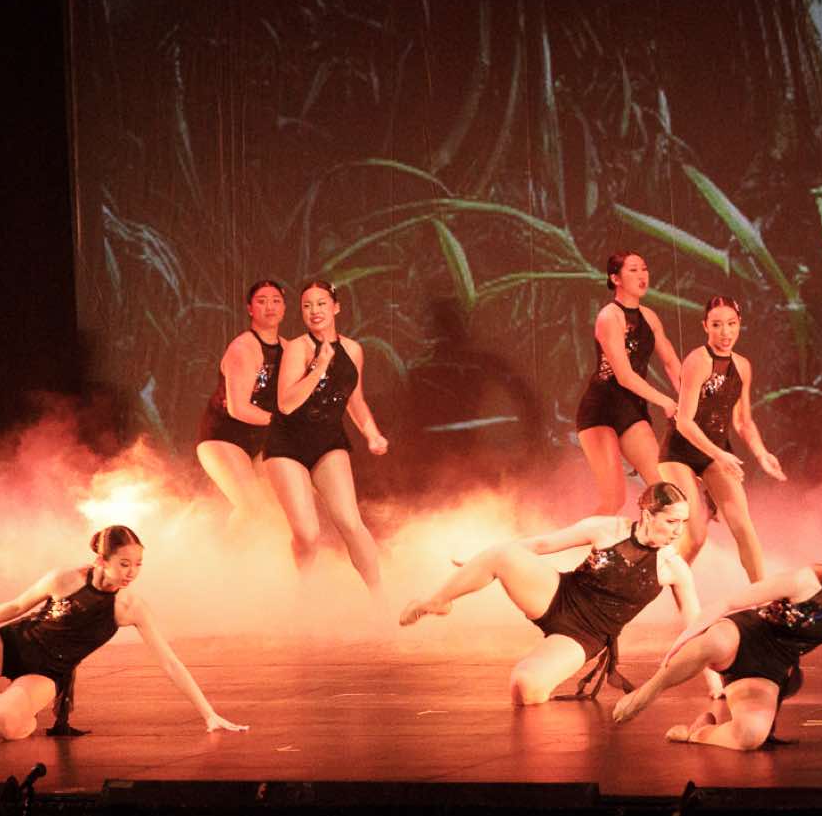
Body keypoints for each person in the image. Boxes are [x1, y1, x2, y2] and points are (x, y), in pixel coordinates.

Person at [0, 526, 246, 740]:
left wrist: (209, 714)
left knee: (2, 725)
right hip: (13, 644)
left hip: (48, 672)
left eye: (138, 565)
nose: (132, 573)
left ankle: (25, 706)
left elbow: (169, 663)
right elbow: (17, 605)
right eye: (124, 564)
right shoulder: (66, 579)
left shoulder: (129, 607)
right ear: (101, 560)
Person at [611, 527, 822, 748]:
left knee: (750, 737)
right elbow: (728, 603)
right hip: (743, 636)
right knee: (715, 641)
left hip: (771, 666)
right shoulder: (801, 580)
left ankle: (698, 733)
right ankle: (646, 694)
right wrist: (679, 645)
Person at [399, 482, 697, 705]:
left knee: (525, 687)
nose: (678, 531)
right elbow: (540, 545)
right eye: (672, 521)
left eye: (683, 522)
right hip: (558, 594)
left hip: (586, 634)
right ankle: (437, 601)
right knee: (503, 554)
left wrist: (715, 683)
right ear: (647, 515)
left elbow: (695, 627)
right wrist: (482, 559)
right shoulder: (607, 529)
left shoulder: (674, 568)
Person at [263, 279, 390, 592]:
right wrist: (318, 367)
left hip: (328, 442)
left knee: (349, 520)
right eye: (307, 306)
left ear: (336, 307)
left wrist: (372, 434)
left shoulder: (353, 349)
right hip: (287, 444)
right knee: (308, 534)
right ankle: (304, 593)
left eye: (321, 304)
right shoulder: (297, 348)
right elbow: (286, 404)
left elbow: (354, 400)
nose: (314, 311)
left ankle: (380, 598)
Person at [656, 295, 786, 580]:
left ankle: (763, 595)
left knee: (743, 525)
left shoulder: (742, 366)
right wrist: (720, 454)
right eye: (716, 325)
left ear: (739, 324)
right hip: (679, 452)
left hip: (715, 452)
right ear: (706, 326)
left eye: (731, 324)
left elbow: (743, 421)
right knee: (695, 536)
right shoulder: (697, 361)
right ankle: (663, 584)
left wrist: (761, 453)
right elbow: (684, 422)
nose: (725, 332)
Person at [576, 251, 683, 516]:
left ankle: (655, 541)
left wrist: (689, 400)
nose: (642, 275)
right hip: (600, 409)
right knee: (614, 500)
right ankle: (577, 541)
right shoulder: (609, 317)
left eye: (644, 269)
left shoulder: (649, 317)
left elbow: (671, 362)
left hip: (630, 408)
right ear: (616, 278)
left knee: (665, 491)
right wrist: (665, 401)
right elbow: (623, 375)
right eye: (633, 270)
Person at [194, 279, 287, 523]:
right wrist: (285, 422)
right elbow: (239, 409)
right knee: (253, 508)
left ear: (284, 308)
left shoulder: (289, 349)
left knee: (275, 512)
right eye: (262, 301)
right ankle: (221, 550)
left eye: (276, 301)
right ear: (250, 309)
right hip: (225, 437)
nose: (270, 307)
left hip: (263, 439)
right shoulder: (243, 349)